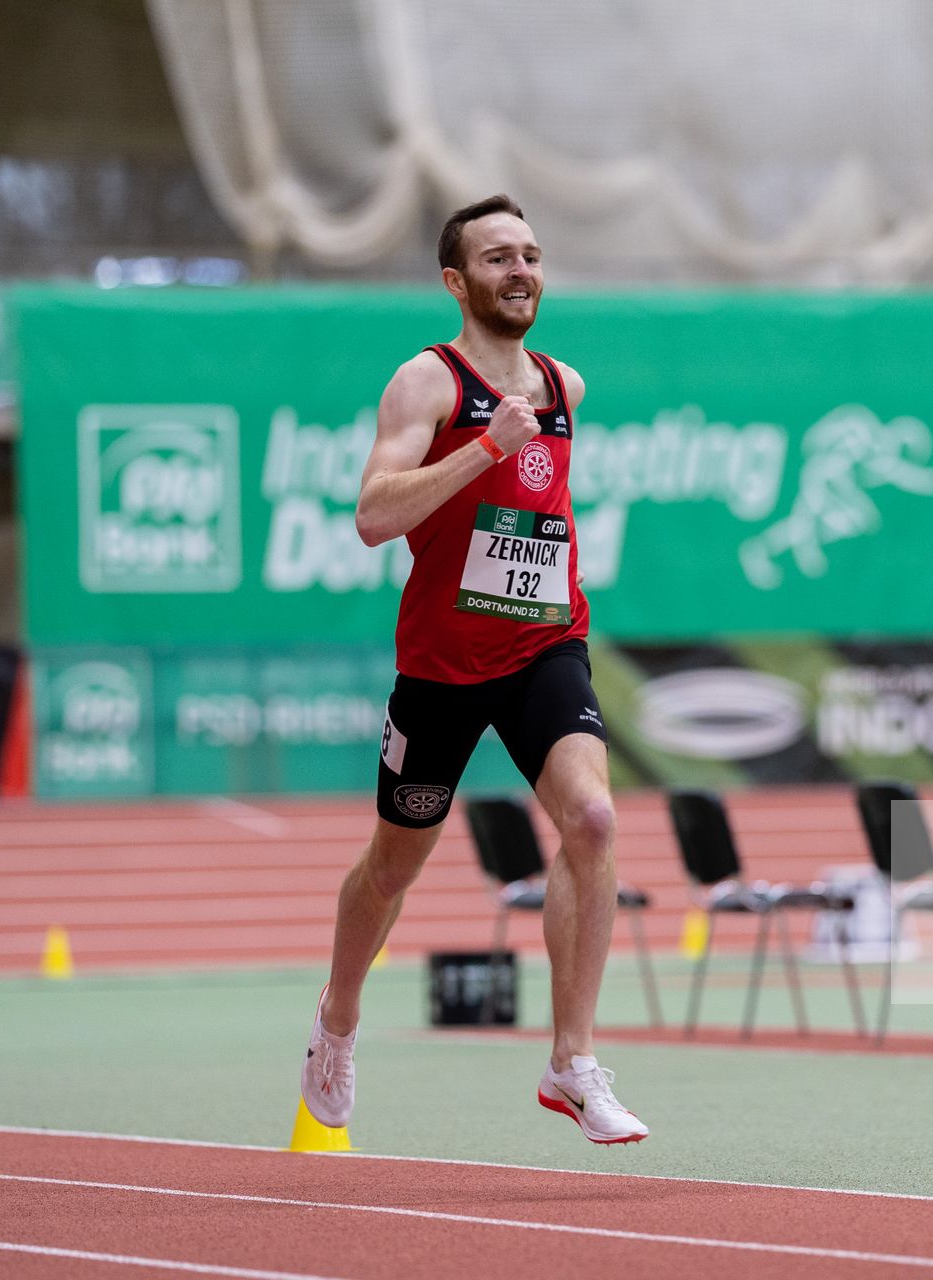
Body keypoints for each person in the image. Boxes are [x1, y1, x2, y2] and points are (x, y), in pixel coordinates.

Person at [299, 193, 647, 1145]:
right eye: (498, 258)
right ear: (457, 281)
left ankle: (571, 1063)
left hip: (544, 644)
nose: (521, 270)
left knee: (594, 818)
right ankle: (336, 1022)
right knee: (391, 866)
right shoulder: (428, 381)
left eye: (531, 254)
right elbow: (375, 517)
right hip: (444, 668)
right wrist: (485, 448)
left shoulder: (565, 385)